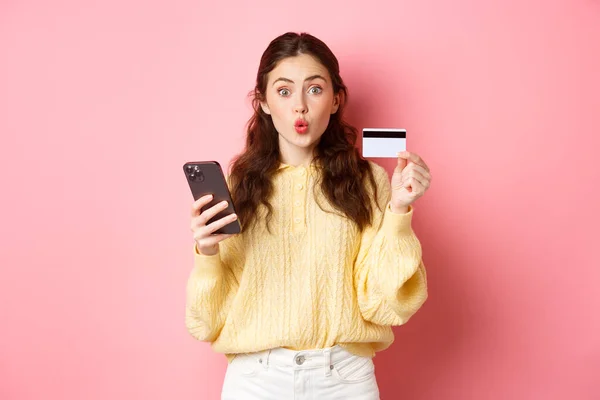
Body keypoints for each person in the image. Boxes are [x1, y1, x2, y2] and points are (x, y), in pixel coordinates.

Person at [186, 32, 432, 400]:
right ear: (264, 103)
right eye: (284, 91)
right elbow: (206, 322)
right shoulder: (238, 186)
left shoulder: (369, 181)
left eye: (314, 89)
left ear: (335, 100)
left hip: (344, 378)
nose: (300, 106)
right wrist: (206, 254)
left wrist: (398, 210)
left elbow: (385, 303)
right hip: (255, 380)